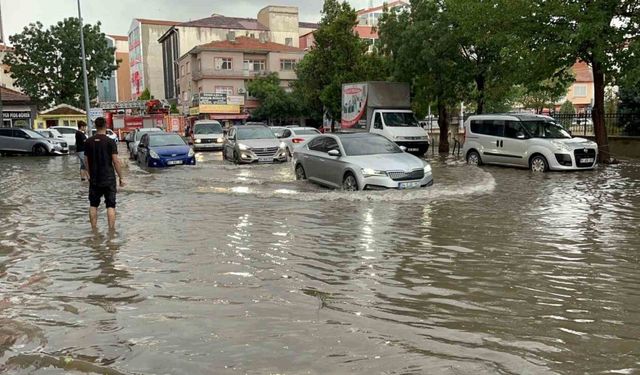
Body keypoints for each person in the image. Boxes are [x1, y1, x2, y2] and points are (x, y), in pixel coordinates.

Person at [84, 117, 125, 231]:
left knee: (93, 205)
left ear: (95, 126)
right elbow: (115, 161)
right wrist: (121, 177)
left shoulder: (88, 141)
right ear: (106, 126)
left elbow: (86, 160)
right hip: (108, 178)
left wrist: (89, 173)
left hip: (95, 178)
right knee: (110, 205)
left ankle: (94, 230)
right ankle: (111, 231)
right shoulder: (110, 142)